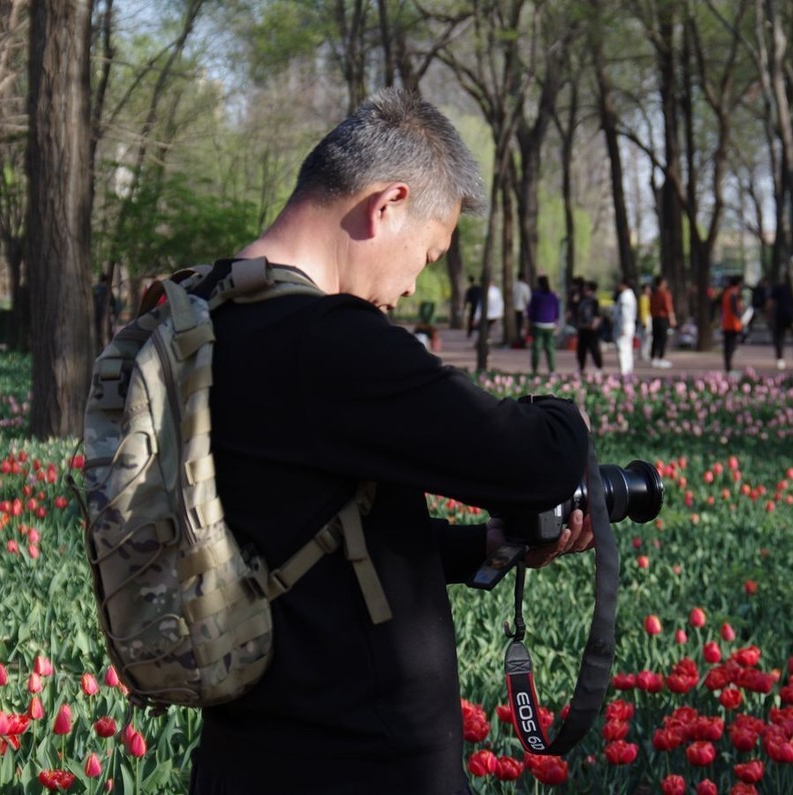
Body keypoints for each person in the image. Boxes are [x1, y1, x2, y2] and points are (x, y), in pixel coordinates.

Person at [188, 87, 596, 795]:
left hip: (242, 756)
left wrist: (483, 546)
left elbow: (297, 531)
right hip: (360, 760)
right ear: (388, 206)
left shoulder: (203, 310)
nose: (412, 286)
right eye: (430, 252)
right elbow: (537, 460)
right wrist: (569, 415)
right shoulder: (327, 342)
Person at [526, 274, 559, 374]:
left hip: (538, 324)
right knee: (550, 348)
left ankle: (535, 370)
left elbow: (530, 310)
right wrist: (555, 321)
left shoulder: (536, 295)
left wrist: (530, 320)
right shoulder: (553, 296)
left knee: (536, 348)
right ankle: (552, 370)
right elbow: (557, 311)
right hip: (550, 324)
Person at [574, 280, 604, 376]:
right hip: (582, 328)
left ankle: (598, 367)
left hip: (591, 329)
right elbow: (576, 310)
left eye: (586, 288)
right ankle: (581, 367)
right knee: (581, 350)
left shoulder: (594, 300)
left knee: (594, 349)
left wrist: (594, 325)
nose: (584, 290)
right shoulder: (581, 299)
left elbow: (598, 314)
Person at [769, 278, 793, 370]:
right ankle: (782, 359)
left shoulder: (780, 287)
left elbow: (770, 302)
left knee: (780, 338)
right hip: (791, 316)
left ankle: (780, 359)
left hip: (782, 315)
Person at [720, 275, 744, 376]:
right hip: (733, 323)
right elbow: (735, 309)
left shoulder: (726, 292)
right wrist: (741, 317)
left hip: (726, 322)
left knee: (727, 346)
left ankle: (728, 367)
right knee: (730, 346)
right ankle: (729, 369)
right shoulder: (734, 293)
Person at [649, 275, 676, 368]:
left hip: (654, 318)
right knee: (662, 339)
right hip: (662, 318)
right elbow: (668, 307)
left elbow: (651, 307)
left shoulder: (653, 294)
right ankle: (661, 357)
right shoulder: (665, 294)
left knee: (655, 338)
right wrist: (672, 318)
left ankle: (653, 357)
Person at [613, 276, 637, 378]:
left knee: (622, 349)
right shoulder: (630, 295)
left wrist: (623, 326)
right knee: (628, 348)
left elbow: (625, 313)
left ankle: (624, 371)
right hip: (628, 324)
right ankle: (628, 370)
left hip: (625, 325)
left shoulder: (625, 296)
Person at [513, 270, 532, 346]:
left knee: (518, 325)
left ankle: (518, 339)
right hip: (523, 308)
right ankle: (522, 341)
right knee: (523, 326)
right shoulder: (525, 287)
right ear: (523, 278)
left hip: (516, 308)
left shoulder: (515, 286)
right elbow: (528, 298)